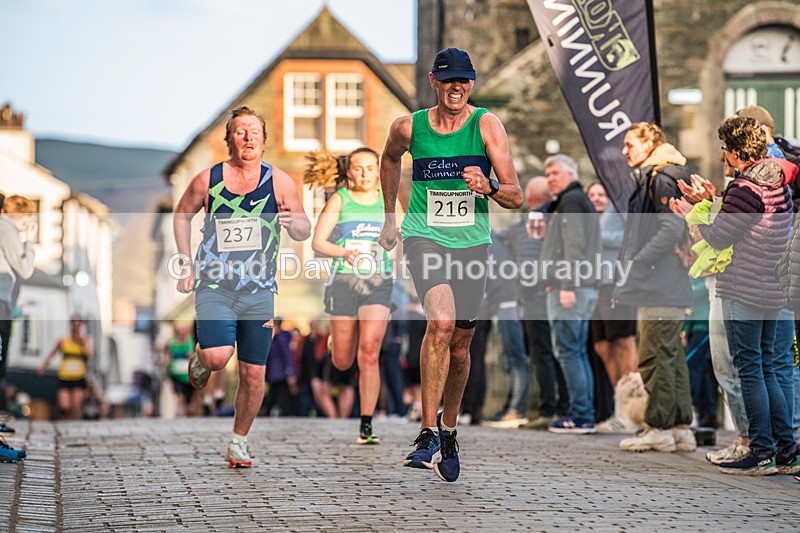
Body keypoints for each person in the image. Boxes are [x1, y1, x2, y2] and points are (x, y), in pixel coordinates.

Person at [378, 47, 522, 482]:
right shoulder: (410, 127)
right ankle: (426, 431)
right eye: (449, 79)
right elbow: (389, 158)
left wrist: (489, 185)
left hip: (472, 245)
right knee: (439, 324)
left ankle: (450, 428)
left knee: (461, 347)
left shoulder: (486, 125)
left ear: (471, 84)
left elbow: (516, 195)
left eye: (464, 80)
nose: (457, 87)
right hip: (424, 236)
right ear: (434, 81)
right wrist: (390, 217)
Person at [173, 106, 311, 468]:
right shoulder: (209, 179)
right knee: (219, 357)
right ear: (230, 140)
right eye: (240, 132)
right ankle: (202, 358)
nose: (248, 137)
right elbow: (181, 213)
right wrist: (185, 261)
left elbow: (303, 229)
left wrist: (292, 221)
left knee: (254, 373)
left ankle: (238, 441)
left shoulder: (279, 181)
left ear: (264, 140)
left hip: (259, 289)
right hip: (215, 284)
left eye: (254, 131)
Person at [672, 116, 797, 475]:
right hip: (774, 284)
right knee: (774, 368)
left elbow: (717, 237)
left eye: (725, 149)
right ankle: (787, 450)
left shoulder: (745, 187)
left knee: (750, 368)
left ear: (737, 151)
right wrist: (713, 200)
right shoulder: (779, 181)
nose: (723, 156)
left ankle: (760, 451)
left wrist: (695, 212)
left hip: (744, 284)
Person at [614, 122, 696, 453]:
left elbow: (670, 227)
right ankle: (680, 428)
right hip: (667, 283)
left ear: (650, 144)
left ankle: (658, 427)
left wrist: (638, 263)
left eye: (630, 143)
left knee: (653, 356)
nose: (624, 150)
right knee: (671, 355)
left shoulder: (660, 176)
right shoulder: (666, 174)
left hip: (659, 284)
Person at [311, 147, 392, 444]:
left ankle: (367, 424)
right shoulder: (340, 199)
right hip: (343, 282)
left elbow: (404, 237)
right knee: (344, 361)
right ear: (348, 171)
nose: (365, 173)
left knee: (369, 351)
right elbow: (318, 243)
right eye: (359, 168)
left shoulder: (388, 201)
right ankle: (340, 339)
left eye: (371, 167)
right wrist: (345, 251)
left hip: (378, 282)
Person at [539, 154, 601, 434]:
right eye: (547, 173)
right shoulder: (569, 201)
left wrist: (567, 284)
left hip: (572, 289)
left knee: (568, 351)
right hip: (581, 286)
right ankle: (583, 413)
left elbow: (574, 246)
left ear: (570, 174)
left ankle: (581, 415)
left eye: (555, 173)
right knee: (575, 351)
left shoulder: (572, 201)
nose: (550, 178)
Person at [585, 182, 639, 433]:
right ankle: (620, 407)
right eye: (592, 195)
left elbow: (626, 239)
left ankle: (633, 411)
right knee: (602, 346)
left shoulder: (618, 211)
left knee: (623, 341)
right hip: (595, 286)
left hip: (616, 283)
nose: (596, 199)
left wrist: (595, 234)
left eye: (601, 194)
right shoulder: (589, 218)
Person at [515, 177, 570, 430]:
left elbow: (530, 254)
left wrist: (526, 287)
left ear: (531, 197)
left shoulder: (535, 218)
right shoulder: (554, 216)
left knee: (542, 353)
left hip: (536, 295)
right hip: (550, 290)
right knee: (557, 351)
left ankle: (549, 409)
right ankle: (562, 406)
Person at [0, 193, 36, 435]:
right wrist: (29, 241)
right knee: (1, 361)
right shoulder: (8, 230)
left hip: (5, 300)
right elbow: (25, 268)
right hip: (1, 301)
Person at [37, 317, 94, 420]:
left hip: (79, 376)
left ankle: (73, 424)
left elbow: (90, 354)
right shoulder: (63, 340)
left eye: (78, 325)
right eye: (74, 325)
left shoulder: (85, 340)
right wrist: (43, 367)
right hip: (64, 376)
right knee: (64, 405)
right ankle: (67, 420)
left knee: (75, 406)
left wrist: (82, 342)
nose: (75, 328)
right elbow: (52, 354)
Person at [264, 318, 297, 417]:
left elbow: (287, 356)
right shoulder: (276, 339)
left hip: (280, 375)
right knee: (273, 399)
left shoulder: (281, 339)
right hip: (274, 375)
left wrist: (290, 373)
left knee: (280, 401)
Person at [162, 322, 195, 418]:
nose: (182, 333)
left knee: (188, 398)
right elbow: (166, 354)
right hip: (175, 374)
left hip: (189, 375)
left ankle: (187, 413)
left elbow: (196, 355)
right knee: (179, 396)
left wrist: (192, 356)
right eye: (180, 330)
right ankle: (181, 413)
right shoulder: (171, 342)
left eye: (184, 330)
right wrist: (166, 361)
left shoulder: (191, 342)